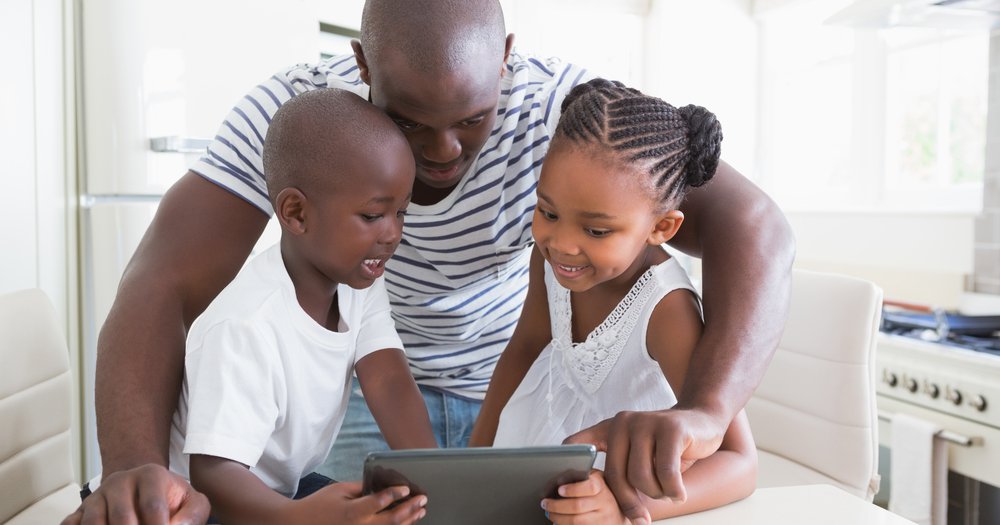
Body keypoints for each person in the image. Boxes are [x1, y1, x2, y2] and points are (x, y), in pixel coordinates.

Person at [64, 0, 794, 523]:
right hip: (358, 394)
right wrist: (132, 467)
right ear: (362, 65)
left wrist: (707, 411)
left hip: (510, 398)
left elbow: (756, 226)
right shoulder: (302, 114)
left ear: (506, 60)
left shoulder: (564, 113)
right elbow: (162, 282)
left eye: (472, 120)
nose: (443, 154)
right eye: (410, 120)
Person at [73, 89, 436, 525]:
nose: (393, 234)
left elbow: (389, 379)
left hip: (272, 489)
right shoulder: (245, 325)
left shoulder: (359, 283)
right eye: (373, 216)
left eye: (401, 213)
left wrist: (436, 483)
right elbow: (213, 475)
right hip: (185, 502)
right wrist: (300, 518)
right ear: (296, 213)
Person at [470, 79, 757, 524]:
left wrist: (626, 508)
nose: (562, 244)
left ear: (661, 228)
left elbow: (740, 462)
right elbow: (524, 347)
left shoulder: (666, 309)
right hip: (544, 439)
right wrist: (475, 460)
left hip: (622, 484)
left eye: (596, 230)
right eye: (548, 212)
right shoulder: (550, 259)